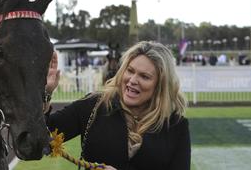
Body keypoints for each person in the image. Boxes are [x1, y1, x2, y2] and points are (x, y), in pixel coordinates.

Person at [44, 41, 190, 170]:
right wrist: (44, 92)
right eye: (130, 71)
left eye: (144, 76)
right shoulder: (94, 106)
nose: (132, 80)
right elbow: (41, 135)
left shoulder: (176, 126)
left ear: (161, 85)